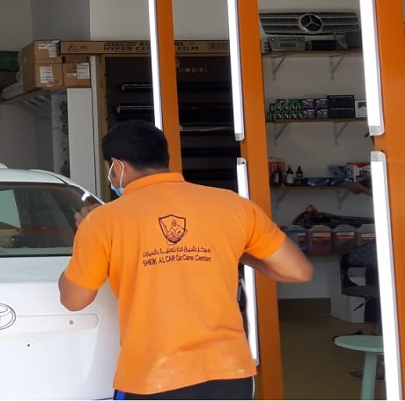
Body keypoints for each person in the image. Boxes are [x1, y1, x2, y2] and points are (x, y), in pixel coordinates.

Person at [58, 120, 313, 400]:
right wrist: (228, 247)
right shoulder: (232, 205)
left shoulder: (101, 222)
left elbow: (74, 300)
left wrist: (84, 236)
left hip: (152, 379)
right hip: (230, 372)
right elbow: (298, 271)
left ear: (117, 166)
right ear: (163, 158)